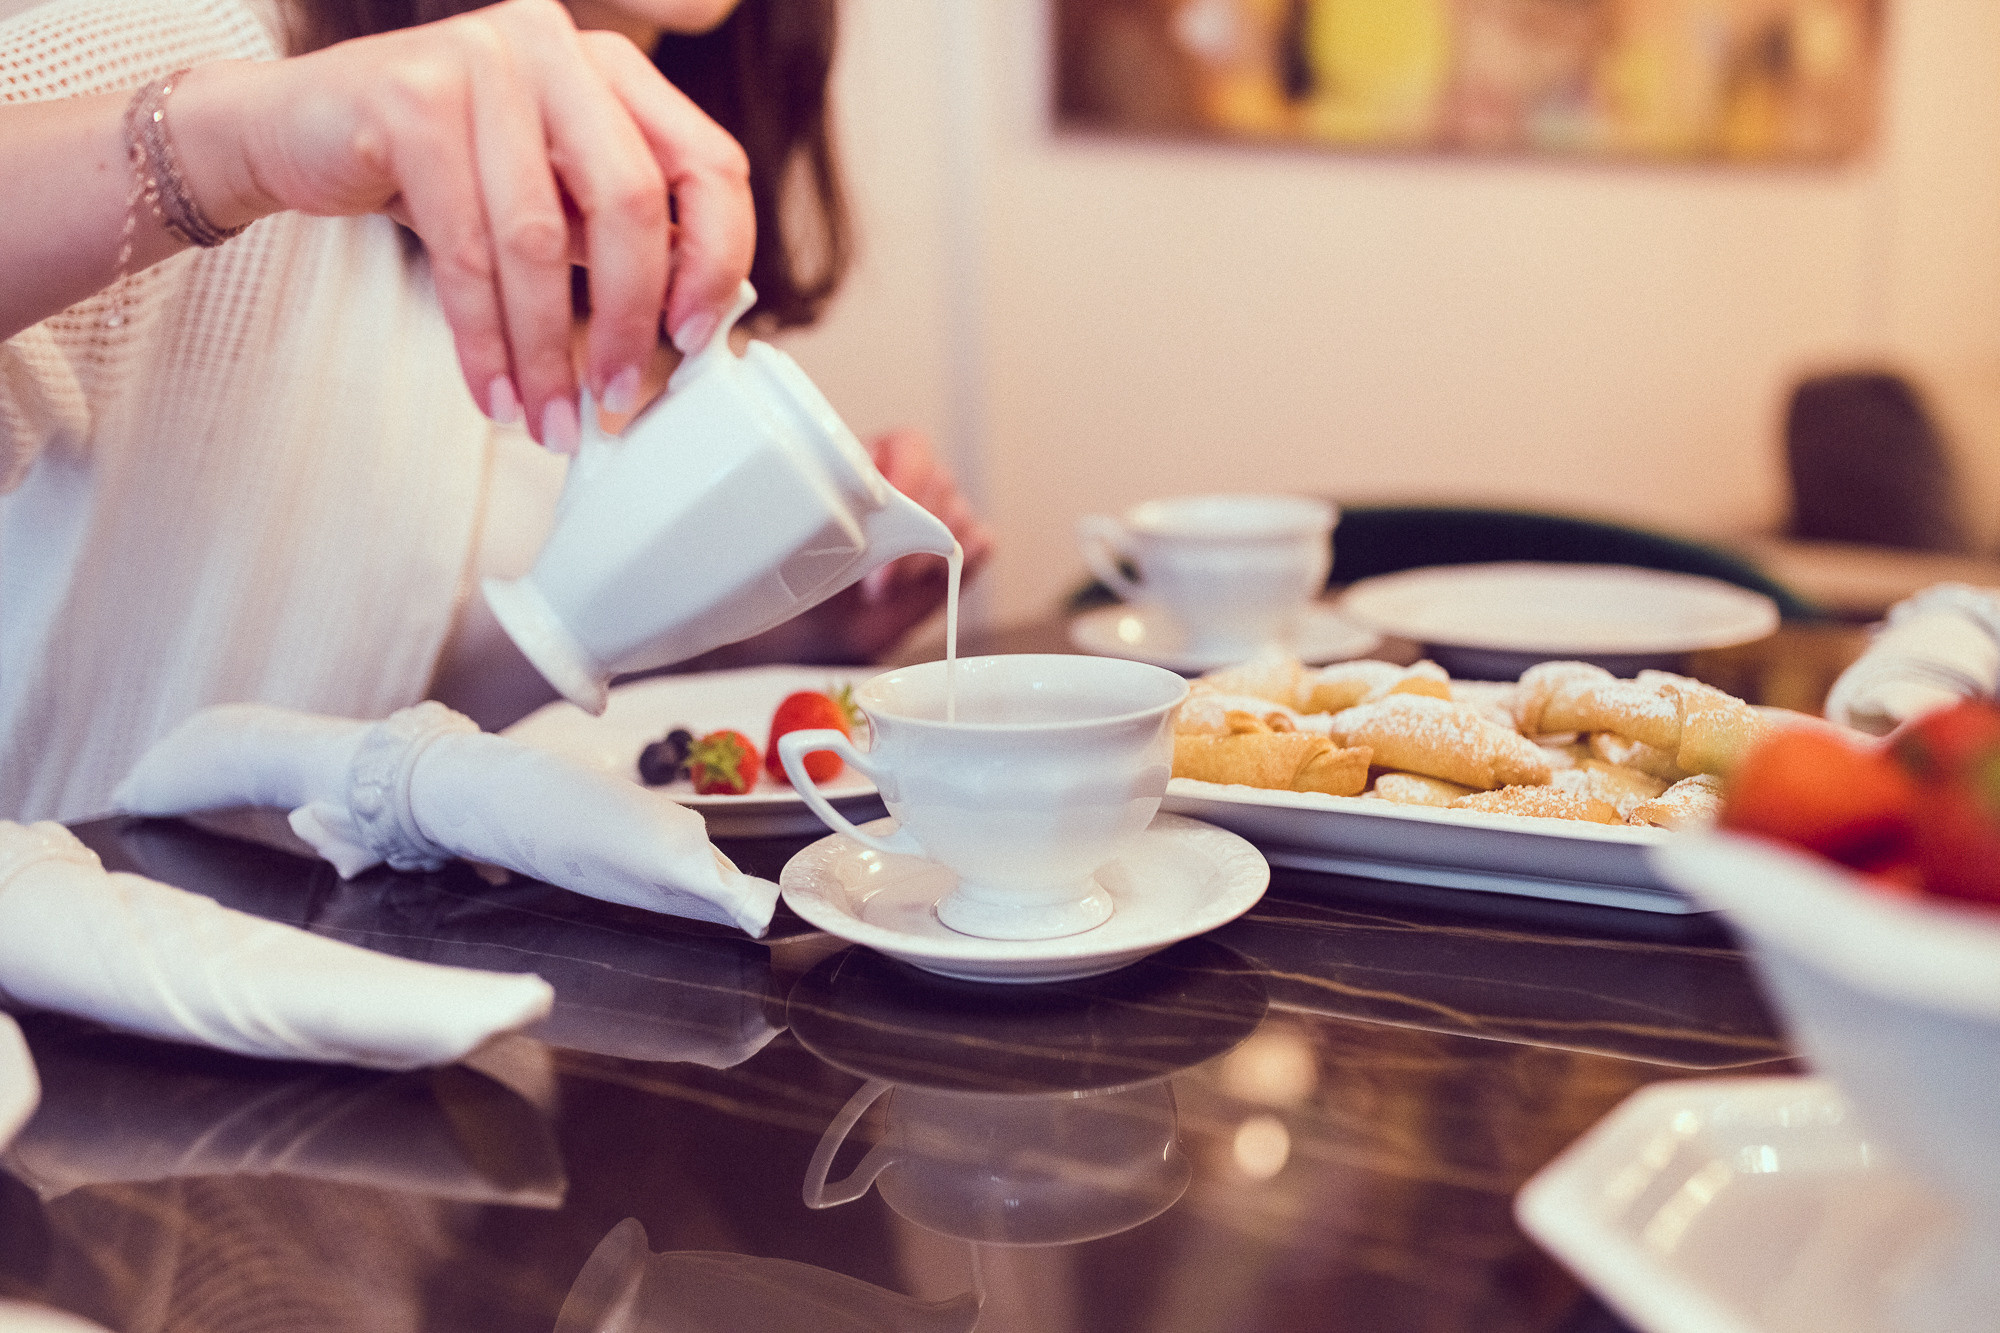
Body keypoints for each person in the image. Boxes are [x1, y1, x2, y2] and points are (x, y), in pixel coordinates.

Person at [0, 0, 991, 823]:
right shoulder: (223, 60)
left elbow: (436, 711)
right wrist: (237, 147)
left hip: (420, 1010)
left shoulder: (660, 220)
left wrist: (771, 631)